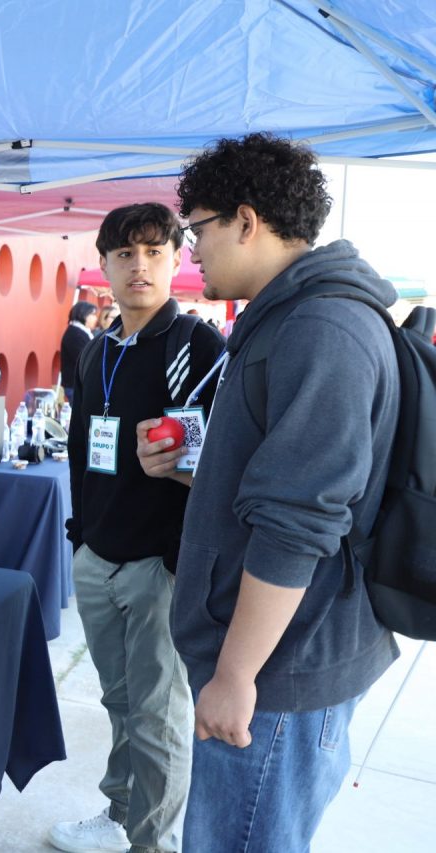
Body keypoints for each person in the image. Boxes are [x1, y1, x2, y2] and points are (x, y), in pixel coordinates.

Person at [137, 132, 399, 851]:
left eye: (197, 230)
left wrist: (235, 674)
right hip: (274, 659)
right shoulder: (290, 316)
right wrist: (186, 470)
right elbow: (278, 478)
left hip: (278, 671)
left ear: (246, 221)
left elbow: (298, 520)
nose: (192, 251)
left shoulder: (322, 326)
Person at [52, 203, 224, 853]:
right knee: (120, 703)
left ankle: (155, 843)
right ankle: (121, 814)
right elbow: (80, 450)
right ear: (104, 265)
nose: (140, 266)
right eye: (125, 253)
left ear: (177, 259)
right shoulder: (98, 348)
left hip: (159, 566)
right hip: (99, 557)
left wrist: (176, 560)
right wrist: (81, 539)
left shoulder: (197, 346)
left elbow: (227, 461)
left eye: (154, 251)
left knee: (159, 719)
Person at [60, 301, 98, 402]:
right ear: (83, 314)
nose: (95, 318)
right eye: (93, 314)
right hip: (75, 386)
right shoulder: (75, 333)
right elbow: (84, 359)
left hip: (79, 385)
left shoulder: (80, 332)